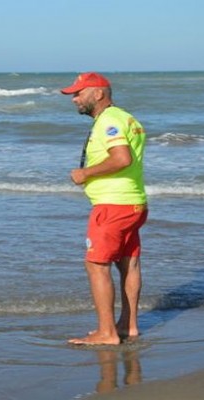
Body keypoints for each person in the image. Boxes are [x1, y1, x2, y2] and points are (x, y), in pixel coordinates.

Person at [61, 72, 148, 346]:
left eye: (79, 93)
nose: (74, 99)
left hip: (113, 205)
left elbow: (121, 158)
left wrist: (86, 173)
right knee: (128, 262)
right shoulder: (126, 117)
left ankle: (107, 333)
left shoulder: (108, 120)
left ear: (98, 93)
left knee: (95, 265)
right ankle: (128, 325)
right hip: (134, 202)